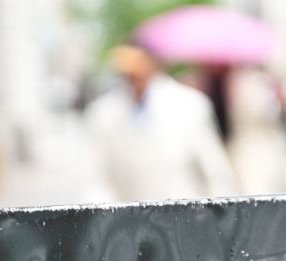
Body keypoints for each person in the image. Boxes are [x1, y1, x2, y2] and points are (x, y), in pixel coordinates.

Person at [85, 44, 236, 202]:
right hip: (129, 219)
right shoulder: (103, 113)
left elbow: (216, 171)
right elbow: (97, 179)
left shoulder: (190, 105)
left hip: (185, 215)